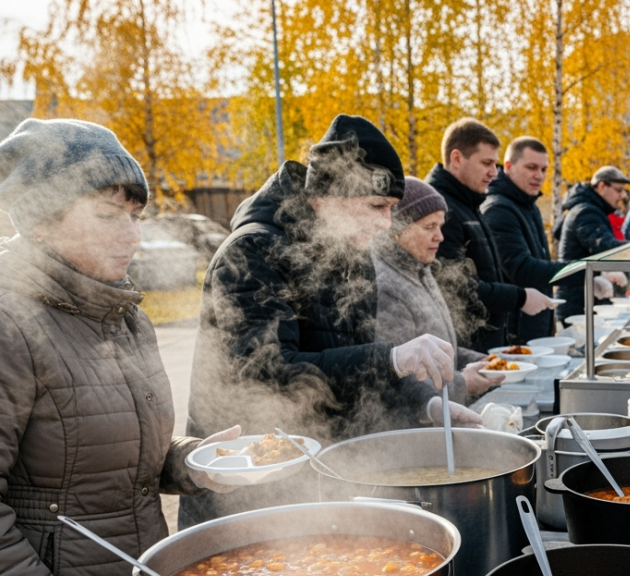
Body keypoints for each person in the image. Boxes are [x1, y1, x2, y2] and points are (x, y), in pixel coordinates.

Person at [0, 118, 237, 576]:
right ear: (43, 220)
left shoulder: (124, 318)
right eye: (107, 215)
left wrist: (192, 463)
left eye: (135, 216)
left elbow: (113, 463)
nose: (132, 235)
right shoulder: (3, 325)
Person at [186, 115, 455, 528]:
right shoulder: (252, 252)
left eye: (391, 209)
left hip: (320, 478)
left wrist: (425, 403)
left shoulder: (350, 254)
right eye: (377, 206)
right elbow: (265, 376)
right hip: (250, 493)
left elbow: (355, 372)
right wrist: (391, 358)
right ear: (330, 195)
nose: (386, 223)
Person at [373, 176, 498, 424]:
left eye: (440, 226)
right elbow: (399, 378)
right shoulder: (387, 286)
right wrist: (463, 383)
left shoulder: (422, 269)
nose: (440, 236)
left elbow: (437, 346)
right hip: (412, 430)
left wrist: (480, 361)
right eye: (429, 227)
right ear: (397, 229)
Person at [426, 118, 554, 352]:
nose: (494, 173)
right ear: (457, 159)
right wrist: (520, 298)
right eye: (486, 163)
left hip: (485, 345)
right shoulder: (441, 209)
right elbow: (457, 287)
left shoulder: (470, 202)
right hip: (463, 349)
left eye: (495, 164)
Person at [482, 137, 618, 342]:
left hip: (534, 325)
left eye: (544, 169)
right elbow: (523, 269)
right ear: (508, 166)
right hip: (514, 332)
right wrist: (589, 272)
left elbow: (541, 265)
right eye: (531, 167)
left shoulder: (528, 205)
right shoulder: (499, 209)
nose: (539, 175)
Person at [555, 166, 630, 317]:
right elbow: (604, 246)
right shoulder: (586, 211)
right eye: (618, 190)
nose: (623, 195)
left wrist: (602, 272)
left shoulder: (592, 209)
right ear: (602, 186)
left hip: (585, 299)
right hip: (577, 305)